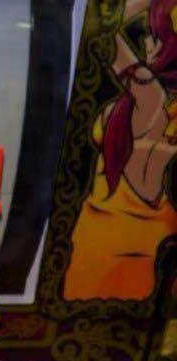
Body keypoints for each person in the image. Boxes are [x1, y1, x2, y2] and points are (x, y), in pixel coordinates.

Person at [64, 0, 177, 300]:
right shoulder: (160, 106)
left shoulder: (150, 97)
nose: (146, 42)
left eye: (153, 35)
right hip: (141, 241)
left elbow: (100, 30)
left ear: (167, 47)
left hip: (105, 243)